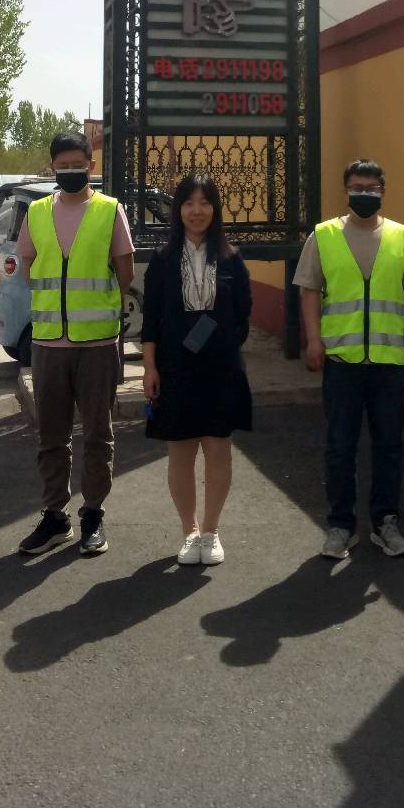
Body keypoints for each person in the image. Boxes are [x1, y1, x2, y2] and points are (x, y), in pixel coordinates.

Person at [295, 159, 404, 560]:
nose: (364, 194)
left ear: (383, 190)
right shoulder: (324, 236)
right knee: (340, 446)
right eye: (357, 187)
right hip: (342, 360)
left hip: (388, 361)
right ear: (346, 190)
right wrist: (313, 340)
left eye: (371, 188)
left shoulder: (401, 236)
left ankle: (386, 523)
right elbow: (309, 291)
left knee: (389, 446)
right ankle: (341, 526)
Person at [15, 131, 135, 558]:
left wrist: (96, 309)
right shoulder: (36, 212)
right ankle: (55, 517)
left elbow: (125, 272)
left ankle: (93, 516)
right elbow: (27, 264)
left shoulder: (109, 210)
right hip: (49, 343)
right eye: (62, 165)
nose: (69, 171)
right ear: (52, 167)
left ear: (90, 166)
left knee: (98, 434)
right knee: (52, 435)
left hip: (97, 344)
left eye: (76, 165)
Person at [141, 172, 253, 567]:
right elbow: (151, 320)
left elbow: (242, 317)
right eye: (188, 202)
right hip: (175, 368)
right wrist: (150, 367)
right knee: (181, 450)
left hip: (220, 370)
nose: (196, 210)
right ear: (178, 210)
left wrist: (217, 344)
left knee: (218, 448)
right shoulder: (162, 261)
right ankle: (189, 532)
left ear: (215, 209)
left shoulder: (232, 259)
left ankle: (211, 531)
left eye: (204, 202)